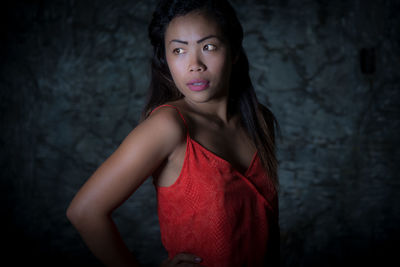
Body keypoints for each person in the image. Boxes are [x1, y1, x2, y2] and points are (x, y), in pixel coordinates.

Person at [66, 0, 281, 266]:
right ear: (165, 60)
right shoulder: (168, 126)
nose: (194, 64)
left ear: (234, 51)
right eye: (178, 50)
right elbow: (85, 212)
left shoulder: (260, 120)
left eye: (209, 47)